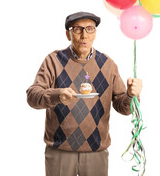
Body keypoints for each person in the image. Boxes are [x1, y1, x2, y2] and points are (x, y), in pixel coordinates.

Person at [26, 11, 143, 176]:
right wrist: (57, 95)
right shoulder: (53, 61)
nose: (84, 35)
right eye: (77, 29)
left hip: (96, 151)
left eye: (89, 29)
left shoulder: (108, 64)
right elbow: (32, 96)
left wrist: (131, 95)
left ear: (95, 33)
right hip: (60, 151)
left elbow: (123, 107)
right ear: (68, 34)